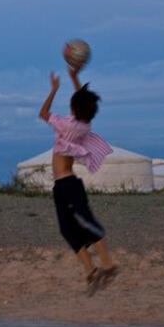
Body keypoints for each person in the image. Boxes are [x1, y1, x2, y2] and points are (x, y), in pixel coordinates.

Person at [39, 65, 118, 295]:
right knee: (67, 229)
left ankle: (108, 263)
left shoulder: (68, 125)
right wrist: (75, 78)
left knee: (85, 222)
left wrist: (53, 89)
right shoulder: (83, 124)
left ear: (75, 108)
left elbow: (43, 113)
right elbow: (81, 102)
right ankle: (91, 271)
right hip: (61, 186)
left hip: (69, 185)